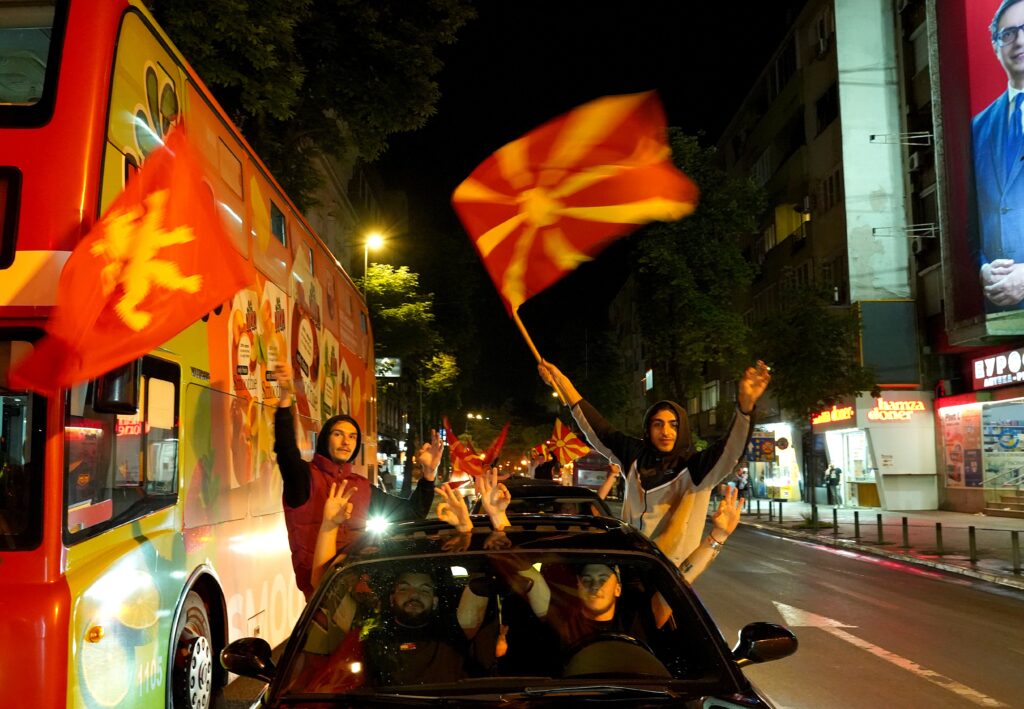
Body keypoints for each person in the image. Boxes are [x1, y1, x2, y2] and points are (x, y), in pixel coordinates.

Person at [538, 359, 770, 566]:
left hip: (669, 573)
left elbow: (731, 449)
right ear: (648, 429)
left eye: (673, 424)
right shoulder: (633, 455)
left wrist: (745, 407)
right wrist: (562, 383)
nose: (666, 431)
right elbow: (598, 428)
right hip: (630, 561)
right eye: (658, 424)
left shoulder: (696, 467)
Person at [273, 363, 443, 599]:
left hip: (360, 589)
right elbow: (285, 451)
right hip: (320, 593)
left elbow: (413, 513)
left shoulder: (361, 486)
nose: (346, 441)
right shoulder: (304, 478)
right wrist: (284, 401)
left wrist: (428, 474)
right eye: (338, 434)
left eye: (352, 436)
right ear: (325, 439)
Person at [973, 0, 1024, 309]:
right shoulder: (977, 127)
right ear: (995, 47)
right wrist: (982, 268)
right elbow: (966, 220)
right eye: (1008, 34)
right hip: (1002, 309)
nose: (1019, 41)